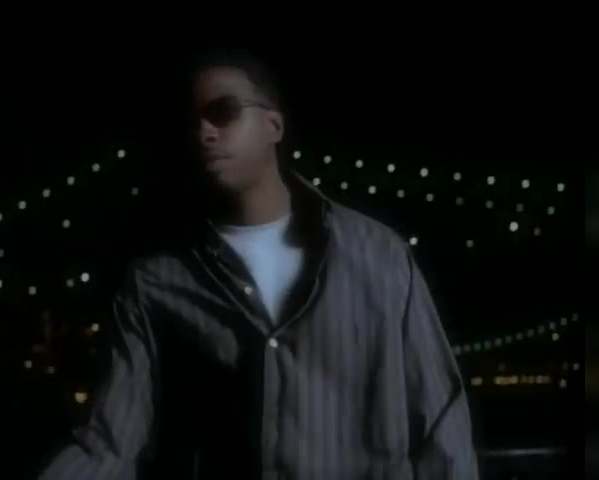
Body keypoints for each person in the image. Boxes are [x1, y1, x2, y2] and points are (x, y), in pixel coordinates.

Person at [39, 49, 478, 479]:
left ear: (273, 125)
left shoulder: (377, 253)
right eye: (192, 122)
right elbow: (112, 441)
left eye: (223, 112)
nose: (204, 133)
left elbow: (440, 417)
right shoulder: (156, 282)